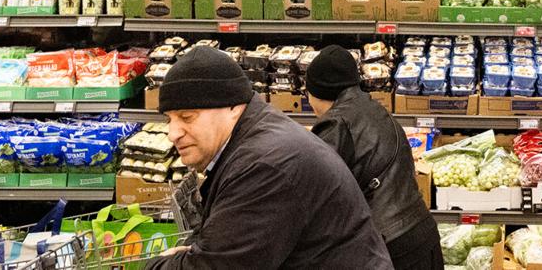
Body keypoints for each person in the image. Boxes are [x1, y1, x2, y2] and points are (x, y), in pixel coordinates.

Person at [147, 46, 392, 270]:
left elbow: (218, 265)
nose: (173, 134)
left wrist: (163, 264)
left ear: (232, 107)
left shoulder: (264, 165)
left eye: (187, 117)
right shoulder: (256, 137)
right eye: (169, 119)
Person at [304, 46, 437, 270]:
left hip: (389, 249)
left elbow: (313, 198)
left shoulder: (335, 125)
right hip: (422, 233)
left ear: (315, 92)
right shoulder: (375, 109)